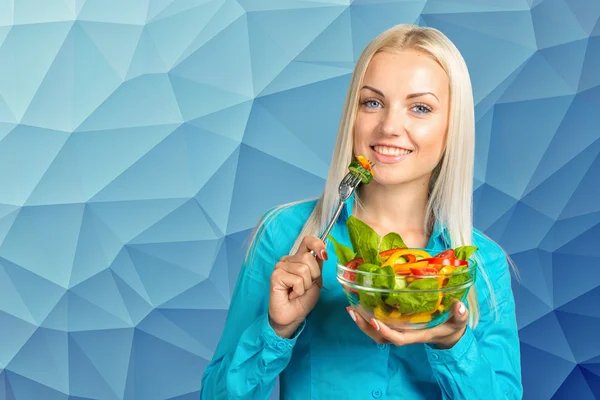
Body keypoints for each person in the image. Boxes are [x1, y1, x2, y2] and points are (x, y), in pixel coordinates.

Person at [200, 24, 522, 399]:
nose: (388, 126)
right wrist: (276, 329)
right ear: (352, 114)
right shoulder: (286, 235)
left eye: (420, 108)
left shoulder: (482, 264)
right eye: (372, 102)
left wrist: (454, 345)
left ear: (453, 127)